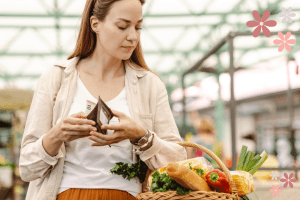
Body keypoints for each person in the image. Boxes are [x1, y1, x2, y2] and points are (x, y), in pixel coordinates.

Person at [18, 0, 187, 199]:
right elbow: (27, 169)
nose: (133, 37)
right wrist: (57, 135)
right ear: (95, 24)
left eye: (138, 27)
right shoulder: (56, 78)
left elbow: (178, 162)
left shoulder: (150, 85)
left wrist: (141, 136)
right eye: (123, 26)